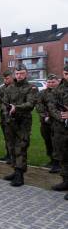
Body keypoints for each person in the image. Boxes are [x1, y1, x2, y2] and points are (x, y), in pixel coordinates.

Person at [1, 63, 38, 187]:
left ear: (26, 73)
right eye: (17, 74)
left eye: (22, 73)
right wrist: (7, 111)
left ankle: (20, 175)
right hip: (10, 122)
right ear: (14, 75)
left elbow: (30, 104)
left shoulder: (31, 88)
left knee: (20, 148)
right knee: (11, 147)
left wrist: (16, 108)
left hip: (23, 123)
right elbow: (4, 103)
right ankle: (15, 170)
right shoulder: (9, 88)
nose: (19, 76)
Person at [47, 65, 68, 197]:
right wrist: (61, 116)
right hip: (61, 129)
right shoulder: (58, 89)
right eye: (66, 73)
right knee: (63, 155)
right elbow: (51, 105)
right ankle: (66, 181)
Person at [36, 74, 60, 173]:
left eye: (53, 82)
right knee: (48, 141)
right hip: (45, 122)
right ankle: (51, 160)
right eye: (49, 82)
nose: (50, 84)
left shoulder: (61, 92)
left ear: (57, 82)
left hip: (58, 123)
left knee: (57, 143)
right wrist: (45, 115)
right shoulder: (42, 93)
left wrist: (54, 114)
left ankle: (57, 163)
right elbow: (38, 105)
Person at [0, 70, 14, 164]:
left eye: (7, 78)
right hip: (4, 116)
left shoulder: (15, 88)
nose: (5, 80)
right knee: (6, 136)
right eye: (4, 78)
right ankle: (8, 154)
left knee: (13, 137)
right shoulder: (2, 89)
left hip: (13, 116)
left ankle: (13, 156)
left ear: (11, 78)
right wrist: (5, 110)